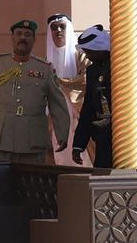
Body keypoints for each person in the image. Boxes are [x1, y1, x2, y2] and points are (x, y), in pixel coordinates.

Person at [0, 19, 70, 163]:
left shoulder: (44, 68)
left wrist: (62, 134)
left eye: (27, 35)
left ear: (34, 40)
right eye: (19, 34)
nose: (22, 38)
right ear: (12, 37)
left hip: (33, 141)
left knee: (31, 183)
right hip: (0, 139)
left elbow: (57, 103)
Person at [45, 13, 89, 166]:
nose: (58, 31)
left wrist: (60, 82)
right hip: (53, 116)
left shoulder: (81, 55)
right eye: (54, 28)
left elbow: (85, 80)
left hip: (77, 112)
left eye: (62, 27)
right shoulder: (46, 62)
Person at [72, 25, 113, 168]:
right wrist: (78, 144)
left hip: (125, 137)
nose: (87, 56)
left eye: (90, 52)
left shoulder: (121, 66)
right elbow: (88, 108)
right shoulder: (92, 71)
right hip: (102, 139)